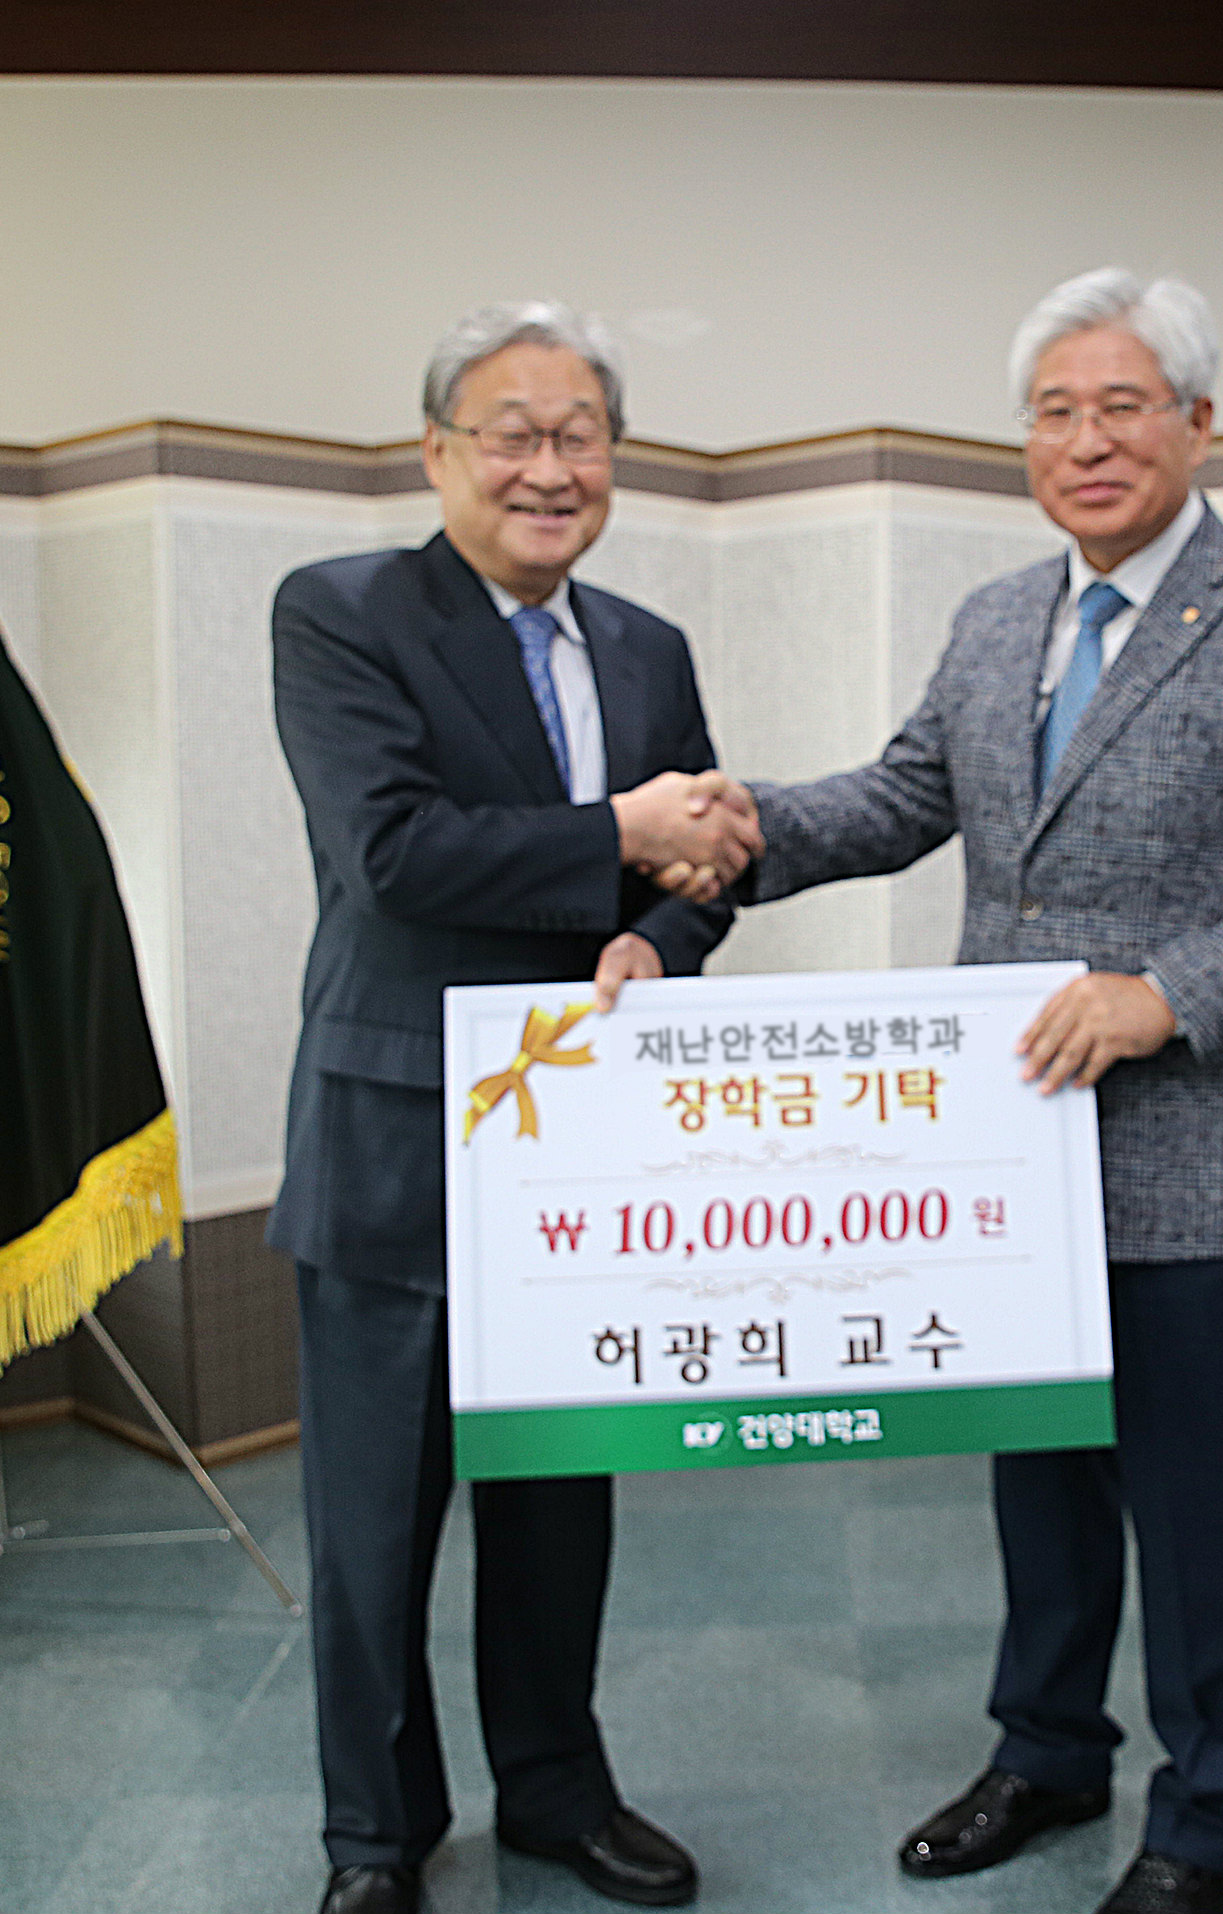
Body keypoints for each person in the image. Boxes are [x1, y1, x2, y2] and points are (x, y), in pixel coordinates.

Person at [715, 268, 1223, 1914]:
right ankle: (1045, 1751)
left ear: (1197, 422)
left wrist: (1166, 993)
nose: (1086, 441)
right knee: (1039, 1486)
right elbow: (902, 797)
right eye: (1054, 411)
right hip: (1009, 1158)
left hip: (1199, 1158)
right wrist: (737, 825)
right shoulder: (996, 620)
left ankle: (1212, 1818)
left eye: (1121, 406)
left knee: (1205, 1512)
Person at [268, 301, 762, 1914]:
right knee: (373, 1528)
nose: (550, 468)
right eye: (514, 434)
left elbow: (704, 865)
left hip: (583, 1163)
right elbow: (391, 853)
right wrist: (619, 828)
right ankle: (374, 1833)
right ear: (439, 452)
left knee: (559, 1504)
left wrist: (658, 933)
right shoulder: (340, 612)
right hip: (397, 1148)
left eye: (581, 437)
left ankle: (557, 1789)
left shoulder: (648, 648)